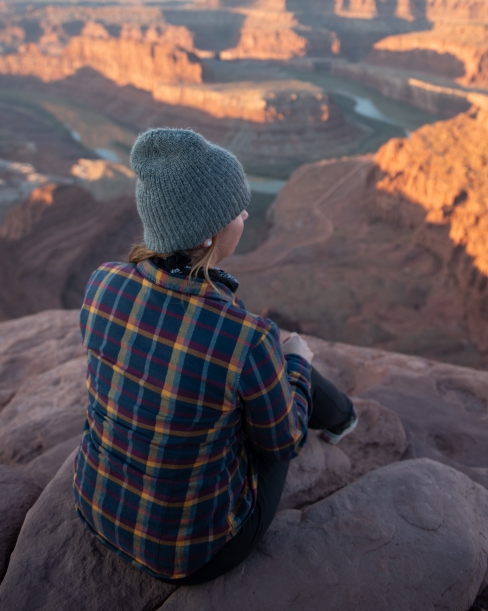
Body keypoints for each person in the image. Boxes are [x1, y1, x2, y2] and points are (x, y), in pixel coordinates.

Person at [73, 127, 357, 583]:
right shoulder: (247, 337)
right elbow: (284, 444)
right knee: (284, 369)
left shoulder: (103, 282)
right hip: (193, 553)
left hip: (93, 505)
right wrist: (297, 362)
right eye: (236, 210)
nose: (246, 212)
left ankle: (341, 414)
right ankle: (343, 418)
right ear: (208, 236)